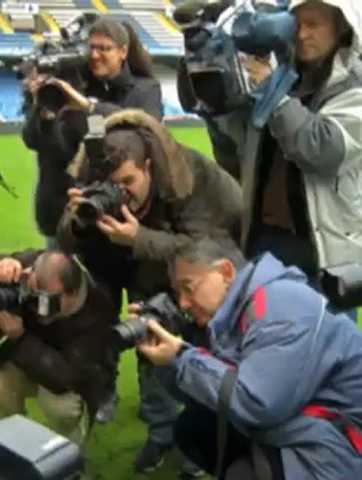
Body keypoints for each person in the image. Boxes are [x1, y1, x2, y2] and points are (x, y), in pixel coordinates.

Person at [57, 108, 242, 475]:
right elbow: (65, 238)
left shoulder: (190, 176)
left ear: (149, 167)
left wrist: (138, 238)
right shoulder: (96, 173)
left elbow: (201, 249)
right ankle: (162, 434)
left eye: (128, 181)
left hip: (211, 268)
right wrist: (77, 222)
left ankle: (203, 444)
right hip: (143, 270)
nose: (121, 194)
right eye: (113, 186)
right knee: (150, 347)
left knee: (206, 353)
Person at [137, 236, 362, 479]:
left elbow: (258, 405)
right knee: (194, 426)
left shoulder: (281, 306)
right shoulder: (235, 312)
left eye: (189, 287)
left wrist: (181, 357)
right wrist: (165, 359)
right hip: (302, 419)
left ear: (225, 272)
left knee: (239, 471)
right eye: (178, 293)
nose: (182, 303)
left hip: (342, 443)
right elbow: (204, 394)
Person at [209, 0, 362, 283]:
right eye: (296, 25)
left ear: (342, 27)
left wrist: (274, 95)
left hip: (324, 249)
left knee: (320, 315)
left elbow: (322, 150)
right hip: (264, 237)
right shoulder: (281, 76)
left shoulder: (354, 86)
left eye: (313, 25)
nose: (302, 35)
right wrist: (216, 107)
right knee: (261, 313)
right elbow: (236, 153)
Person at [21, 16, 162, 247]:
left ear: (123, 51)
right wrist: (45, 111)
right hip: (66, 211)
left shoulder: (144, 89)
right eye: (91, 48)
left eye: (104, 48)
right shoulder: (69, 83)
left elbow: (145, 131)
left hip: (119, 209)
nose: (95, 55)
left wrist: (89, 106)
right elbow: (43, 145)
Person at [0, 249, 119, 450]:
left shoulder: (98, 311)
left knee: (61, 410)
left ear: (72, 293)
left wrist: (21, 337)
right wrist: (0, 265)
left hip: (64, 378)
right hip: (24, 361)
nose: (37, 303)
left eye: (47, 299)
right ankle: (20, 445)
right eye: (33, 292)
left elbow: (67, 377)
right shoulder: (33, 263)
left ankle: (70, 449)